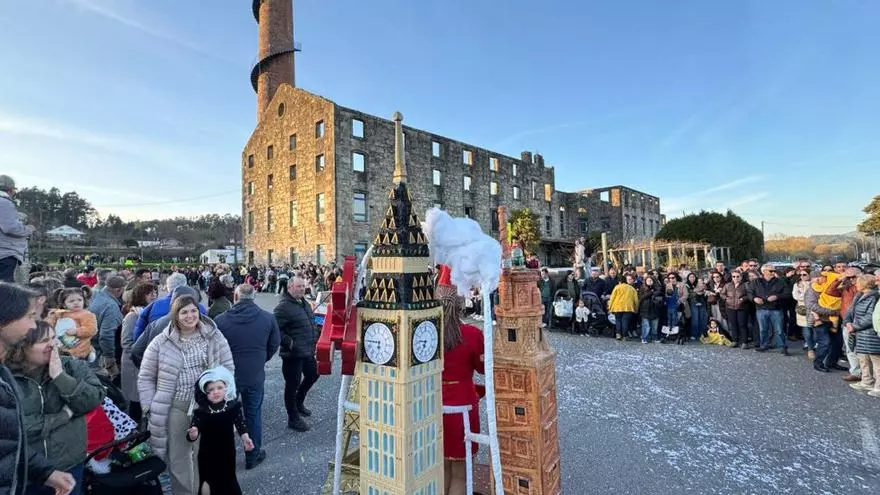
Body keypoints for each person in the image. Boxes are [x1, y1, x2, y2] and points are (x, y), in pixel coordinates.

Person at [138, 295, 234, 495]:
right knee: (178, 457)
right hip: (176, 406)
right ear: (175, 315)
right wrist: (149, 405)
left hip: (206, 406)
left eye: (193, 311)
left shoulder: (214, 336)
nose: (190, 316)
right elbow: (145, 376)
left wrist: (223, 394)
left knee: (206, 455)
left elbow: (228, 369)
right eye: (184, 312)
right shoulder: (161, 342)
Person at [7, 321, 105, 495]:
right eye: (44, 340)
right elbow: (16, 428)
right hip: (26, 470)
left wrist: (60, 377)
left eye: (54, 337)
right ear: (22, 347)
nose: (53, 344)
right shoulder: (8, 378)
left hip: (69, 463)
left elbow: (93, 400)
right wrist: (62, 417)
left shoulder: (72, 366)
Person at [1, 283, 77, 495]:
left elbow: (8, 442)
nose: (35, 326)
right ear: (4, 321)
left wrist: (46, 472)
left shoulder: (3, 374)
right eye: (29, 317)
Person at [214, 284, 280, 469]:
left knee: (226, 416)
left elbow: (215, 348)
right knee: (253, 414)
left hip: (228, 376)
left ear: (236, 296)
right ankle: (253, 453)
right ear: (254, 296)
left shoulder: (221, 320)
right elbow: (274, 343)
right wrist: (261, 359)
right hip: (254, 374)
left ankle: (225, 458)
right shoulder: (268, 318)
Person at [435, 267, 484, 495]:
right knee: (460, 475)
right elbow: (483, 368)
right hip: (463, 407)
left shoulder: (426, 332)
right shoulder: (472, 335)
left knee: (441, 468)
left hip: (434, 406)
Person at [186, 367, 253, 495]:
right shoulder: (201, 411)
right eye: (211, 390)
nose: (216, 392)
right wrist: (193, 434)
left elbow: (241, 424)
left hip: (227, 451)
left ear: (226, 387)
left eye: (219, 388)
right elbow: (193, 431)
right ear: (204, 392)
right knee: (207, 482)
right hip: (207, 453)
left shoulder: (232, 406)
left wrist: (245, 438)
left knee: (228, 479)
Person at [274, 276, 319, 432]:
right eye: (298, 286)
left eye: (303, 286)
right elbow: (276, 330)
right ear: (290, 287)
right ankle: (293, 418)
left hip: (307, 350)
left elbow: (309, 322)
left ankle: (299, 402)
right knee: (292, 385)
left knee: (313, 374)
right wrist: (289, 343)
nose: (302, 289)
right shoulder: (283, 307)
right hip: (292, 354)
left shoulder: (303, 303)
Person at [119, 283, 157, 422]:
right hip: (133, 364)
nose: (154, 295)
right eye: (149, 293)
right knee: (135, 401)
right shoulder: (132, 316)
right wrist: (143, 354)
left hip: (146, 364)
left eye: (155, 292)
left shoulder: (151, 314)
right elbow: (126, 342)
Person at [825, 268, 863, 382]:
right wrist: (839, 278)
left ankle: (868, 373)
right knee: (850, 349)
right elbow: (829, 291)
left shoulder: (866, 289)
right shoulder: (845, 289)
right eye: (849, 277)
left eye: (854, 277)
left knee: (865, 350)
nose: (851, 279)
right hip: (847, 322)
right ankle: (855, 372)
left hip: (862, 322)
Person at [844, 275, 879, 397]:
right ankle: (866, 381)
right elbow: (850, 310)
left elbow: (871, 316)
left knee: (875, 362)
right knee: (863, 359)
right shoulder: (859, 295)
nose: (855, 284)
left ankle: (878, 386)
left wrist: (855, 326)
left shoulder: (874, 297)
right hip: (860, 333)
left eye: (858, 282)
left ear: (865, 284)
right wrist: (847, 322)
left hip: (870, 334)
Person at [132, 272, 190, 341]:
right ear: (185, 285)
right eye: (150, 294)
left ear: (168, 287)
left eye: (155, 293)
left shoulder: (154, 305)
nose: (154, 295)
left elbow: (138, 333)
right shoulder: (197, 306)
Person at [44, 288, 97, 362]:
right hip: (61, 349)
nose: (76, 303)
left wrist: (76, 331)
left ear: (84, 301)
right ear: (64, 304)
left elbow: (92, 329)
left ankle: (89, 355)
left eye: (79, 300)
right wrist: (50, 317)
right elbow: (48, 325)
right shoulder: (59, 314)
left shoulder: (87, 315)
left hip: (79, 351)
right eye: (71, 301)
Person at [89, 276, 126, 379]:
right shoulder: (111, 306)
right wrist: (109, 357)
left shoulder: (94, 294)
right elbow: (106, 335)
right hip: (95, 353)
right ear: (119, 290)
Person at [0, 176, 34, 283]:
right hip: (5, 254)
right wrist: (28, 229)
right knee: (6, 292)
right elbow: (11, 227)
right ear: (10, 189)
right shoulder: (4, 202)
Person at [751, 264, 791, 355]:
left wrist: (777, 296)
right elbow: (750, 292)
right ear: (764, 272)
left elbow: (787, 293)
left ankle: (782, 346)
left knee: (779, 329)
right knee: (763, 329)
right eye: (771, 271)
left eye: (774, 271)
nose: (773, 273)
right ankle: (764, 345)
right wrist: (754, 298)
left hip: (776, 309)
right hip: (761, 309)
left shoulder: (780, 282)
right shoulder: (756, 282)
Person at [609, 274, 638, 341]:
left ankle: (618, 334)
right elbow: (636, 300)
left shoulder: (617, 287)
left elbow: (612, 298)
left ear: (619, 282)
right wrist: (636, 308)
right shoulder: (632, 288)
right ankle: (625, 336)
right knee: (625, 321)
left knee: (618, 321)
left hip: (617, 307)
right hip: (628, 307)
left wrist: (610, 307)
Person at [792, 270, 813, 359]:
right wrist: (805, 295)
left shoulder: (814, 283)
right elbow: (795, 296)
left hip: (814, 308)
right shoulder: (797, 284)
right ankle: (810, 349)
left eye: (804, 274)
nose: (802, 276)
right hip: (803, 309)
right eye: (800, 275)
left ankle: (815, 345)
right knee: (807, 330)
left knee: (815, 330)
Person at [638, 276, 663, 343]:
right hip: (645, 310)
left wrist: (654, 292)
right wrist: (651, 293)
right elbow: (641, 298)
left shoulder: (657, 288)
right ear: (645, 281)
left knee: (654, 326)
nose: (649, 282)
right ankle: (644, 338)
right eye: (648, 280)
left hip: (655, 309)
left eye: (651, 280)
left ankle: (654, 338)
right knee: (646, 326)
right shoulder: (642, 288)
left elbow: (660, 294)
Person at [685, 272, 708, 341]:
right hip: (692, 303)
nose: (692, 278)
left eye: (693, 277)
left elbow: (704, 291)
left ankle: (701, 334)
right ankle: (694, 334)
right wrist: (697, 292)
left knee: (702, 318)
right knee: (695, 319)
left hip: (702, 302)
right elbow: (688, 295)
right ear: (688, 278)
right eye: (690, 277)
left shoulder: (699, 283)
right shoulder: (686, 285)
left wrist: (699, 291)